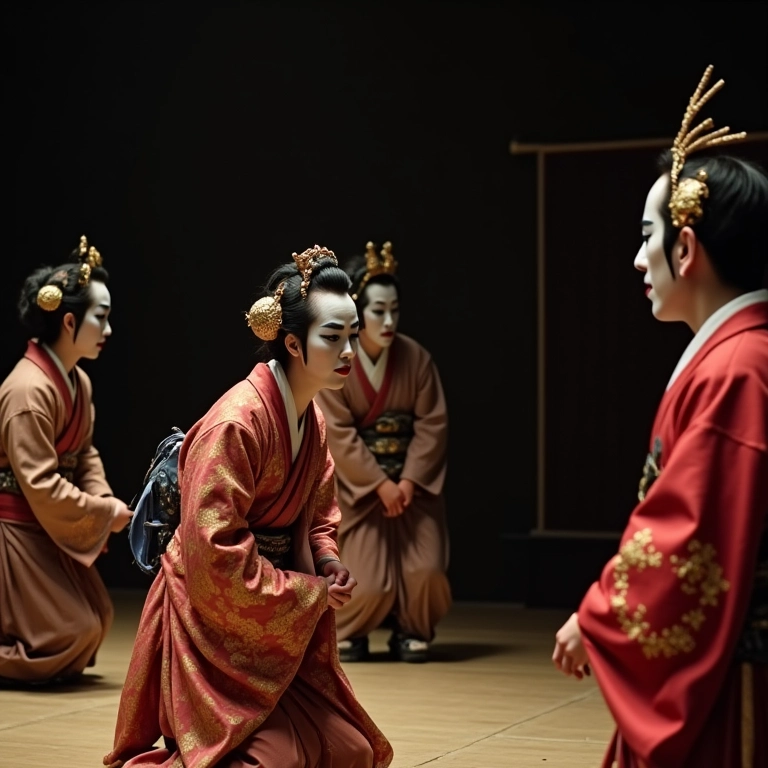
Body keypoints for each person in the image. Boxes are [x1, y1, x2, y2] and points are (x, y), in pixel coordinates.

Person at [552, 65, 768, 767]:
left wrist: (600, 615)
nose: (639, 256)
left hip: (739, 676)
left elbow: (687, 537)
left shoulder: (738, 370)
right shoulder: (741, 357)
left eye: (649, 236)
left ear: (686, 247)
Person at [104, 245, 393, 768]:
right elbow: (214, 553)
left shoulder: (313, 420)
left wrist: (325, 560)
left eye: (352, 335)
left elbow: (318, 513)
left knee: (350, 752)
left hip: (272, 610)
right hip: (209, 620)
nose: (349, 350)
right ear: (292, 343)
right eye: (333, 337)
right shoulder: (236, 423)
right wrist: (310, 591)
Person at [0, 235, 134, 686]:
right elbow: (38, 484)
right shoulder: (26, 390)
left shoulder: (78, 383)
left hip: (41, 522)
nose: (109, 329)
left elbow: (84, 454)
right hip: (14, 527)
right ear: (70, 321)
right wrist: (103, 513)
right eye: (102, 317)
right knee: (72, 633)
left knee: (96, 620)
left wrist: (103, 498)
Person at [315, 241, 452, 664]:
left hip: (413, 489)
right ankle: (350, 631)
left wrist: (407, 481)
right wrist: (378, 484)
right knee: (366, 584)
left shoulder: (417, 359)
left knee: (424, 572)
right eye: (377, 311)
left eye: (394, 309)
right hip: (359, 491)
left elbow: (432, 424)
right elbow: (336, 430)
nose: (388, 320)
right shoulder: (341, 360)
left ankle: (412, 631)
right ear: (359, 310)